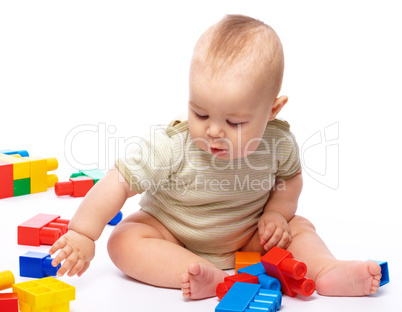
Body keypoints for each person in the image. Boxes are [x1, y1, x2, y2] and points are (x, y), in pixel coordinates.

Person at [49, 14, 382, 299]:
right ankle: (207, 276)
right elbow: (118, 182)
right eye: (201, 113)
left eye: (234, 122)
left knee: (300, 227)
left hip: (249, 237)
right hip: (173, 234)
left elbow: (290, 179)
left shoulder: (278, 143)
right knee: (124, 239)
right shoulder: (172, 147)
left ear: (272, 110)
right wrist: (83, 233)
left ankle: (326, 269)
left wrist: (278, 214)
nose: (213, 131)